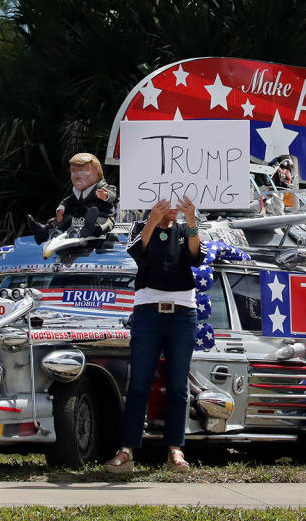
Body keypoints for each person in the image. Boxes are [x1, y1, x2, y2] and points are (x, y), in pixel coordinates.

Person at [105, 195, 203, 473]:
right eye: (165, 201)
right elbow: (138, 251)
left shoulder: (185, 229)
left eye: (175, 202)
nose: (171, 207)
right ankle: (127, 450)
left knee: (177, 383)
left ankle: (175, 449)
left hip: (183, 311)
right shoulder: (140, 227)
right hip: (148, 310)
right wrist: (152, 218)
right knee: (139, 382)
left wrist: (192, 219)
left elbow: (196, 257)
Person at [27, 152, 117, 243]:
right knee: (66, 218)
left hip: (101, 217)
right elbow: (68, 201)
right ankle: (43, 231)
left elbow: (113, 195)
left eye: (81, 171)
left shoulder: (104, 188)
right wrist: (61, 209)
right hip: (80, 220)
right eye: (73, 171)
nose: (76, 176)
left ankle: (89, 230)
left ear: (96, 169)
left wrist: (107, 196)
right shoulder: (77, 194)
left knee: (101, 223)